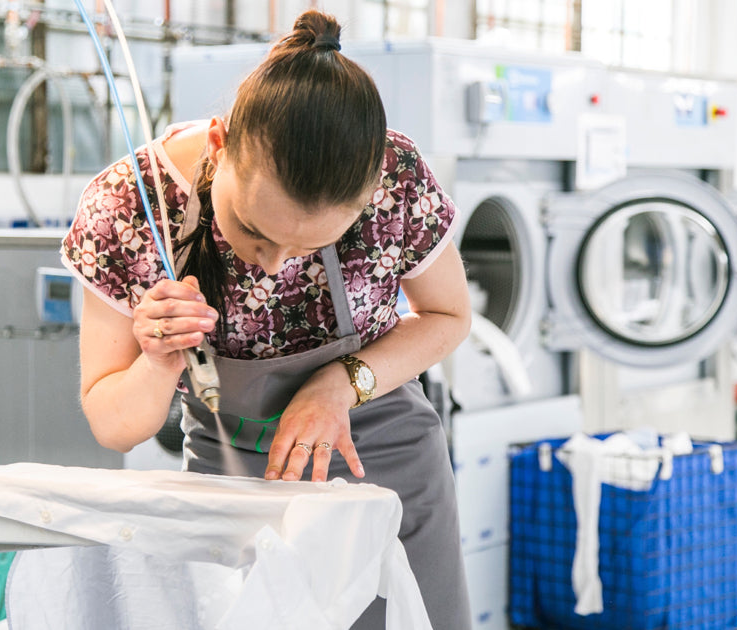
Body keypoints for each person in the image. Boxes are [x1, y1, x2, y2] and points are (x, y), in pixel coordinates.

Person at [61, 9, 472, 629]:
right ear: (221, 145)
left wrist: (339, 385)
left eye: (307, 248)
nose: (276, 265)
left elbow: (448, 315)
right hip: (236, 489)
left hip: (384, 470)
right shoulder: (130, 206)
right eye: (254, 230)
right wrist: (157, 360)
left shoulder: (397, 178)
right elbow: (114, 425)